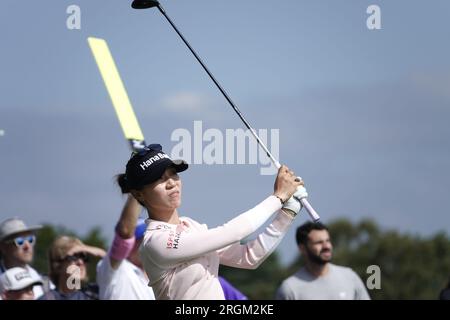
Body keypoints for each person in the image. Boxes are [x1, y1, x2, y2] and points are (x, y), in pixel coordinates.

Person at [116, 143, 307, 300]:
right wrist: (278, 197)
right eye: (159, 179)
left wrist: (287, 212)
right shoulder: (155, 242)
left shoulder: (191, 226)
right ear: (138, 193)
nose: (171, 182)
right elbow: (232, 232)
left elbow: (249, 257)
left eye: (173, 174)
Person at [276, 222, 370, 300]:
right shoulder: (290, 289)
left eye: (328, 241)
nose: (326, 246)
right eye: (319, 242)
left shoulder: (350, 277)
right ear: (302, 248)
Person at [96, 195, 155, 300]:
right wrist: (137, 188)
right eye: (141, 240)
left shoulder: (156, 276)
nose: (147, 244)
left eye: (148, 238)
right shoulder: (116, 269)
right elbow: (125, 232)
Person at [39, 235, 106, 300]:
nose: (80, 262)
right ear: (58, 265)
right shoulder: (47, 298)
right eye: (74, 257)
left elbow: (112, 267)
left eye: (84, 257)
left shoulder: (94, 293)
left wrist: (85, 248)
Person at [0, 217, 48, 299]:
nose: (27, 246)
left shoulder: (44, 283)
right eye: (20, 241)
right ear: (3, 247)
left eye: (30, 239)